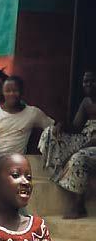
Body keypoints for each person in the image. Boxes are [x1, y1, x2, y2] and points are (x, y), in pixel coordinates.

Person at [0, 76, 55, 214]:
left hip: (17, 165)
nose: (11, 94)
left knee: (17, 200)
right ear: (3, 92)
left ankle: (23, 226)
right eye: (8, 91)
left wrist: (60, 126)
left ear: (21, 92)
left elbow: (52, 126)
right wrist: (3, 161)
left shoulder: (32, 113)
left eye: (15, 90)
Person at [39, 70, 96, 219]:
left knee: (79, 158)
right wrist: (62, 125)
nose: (88, 85)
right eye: (86, 82)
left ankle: (79, 205)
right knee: (50, 133)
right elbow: (76, 127)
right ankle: (59, 173)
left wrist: (85, 145)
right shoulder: (86, 102)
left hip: (93, 144)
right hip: (85, 139)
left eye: (92, 81)